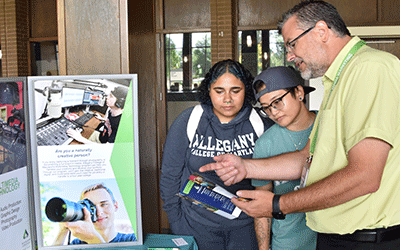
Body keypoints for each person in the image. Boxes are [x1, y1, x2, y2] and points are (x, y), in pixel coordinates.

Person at [200, 1, 400, 249]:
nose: (290, 56)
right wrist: (245, 167)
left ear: (321, 31)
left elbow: (365, 175)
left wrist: (277, 204)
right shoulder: (337, 81)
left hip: (366, 239)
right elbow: (307, 158)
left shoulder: (370, 69)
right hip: (338, 237)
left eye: (292, 44)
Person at [160, 59, 274, 250]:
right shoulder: (190, 120)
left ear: (246, 90)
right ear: (209, 90)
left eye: (235, 91)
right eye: (219, 91)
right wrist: (177, 223)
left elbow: (273, 178)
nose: (227, 99)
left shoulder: (260, 124)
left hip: (246, 228)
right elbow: (169, 176)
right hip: (195, 226)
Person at [251, 66, 317, 250]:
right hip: (288, 243)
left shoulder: (327, 125)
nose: (273, 112)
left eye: (277, 102)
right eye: (266, 108)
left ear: (299, 92)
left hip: (335, 240)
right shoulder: (265, 145)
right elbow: (262, 207)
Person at [53, 183, 136, 245]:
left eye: (104, 204)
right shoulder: (77, 244)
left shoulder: (133, 240)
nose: (99, 213)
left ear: (115, 206)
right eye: (91, 208)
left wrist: (93, 240)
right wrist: (62, 232)